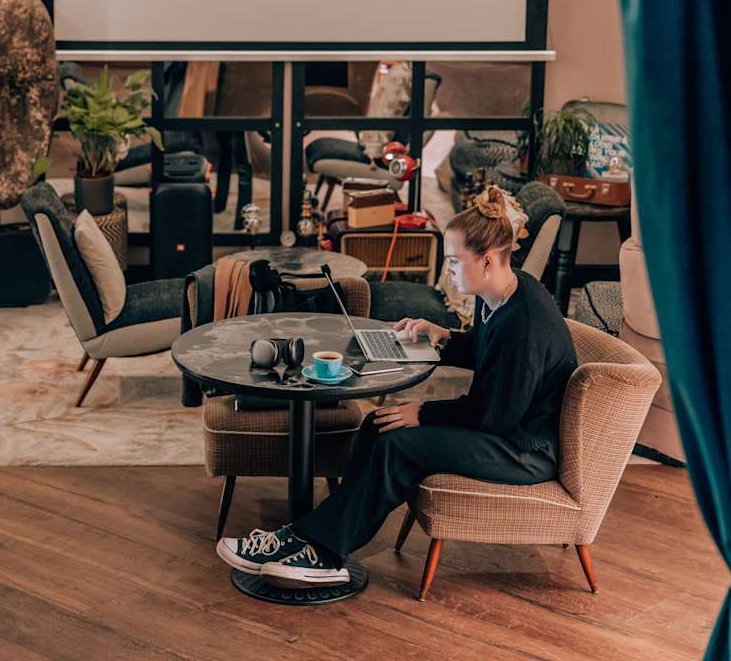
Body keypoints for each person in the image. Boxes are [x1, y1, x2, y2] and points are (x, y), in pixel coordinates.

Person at [216, 186, 578, 587]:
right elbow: (485, 351)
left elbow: (495, 417)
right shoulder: (498, 292)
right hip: (500, 428)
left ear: (488, 260)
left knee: (397, 445)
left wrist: (423, 413)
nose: (448, 272)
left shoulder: (524, 323)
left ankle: (324, 554)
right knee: (377, 424)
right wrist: (443, 336)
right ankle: (312, 537)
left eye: (454, 262)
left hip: (521, 450)